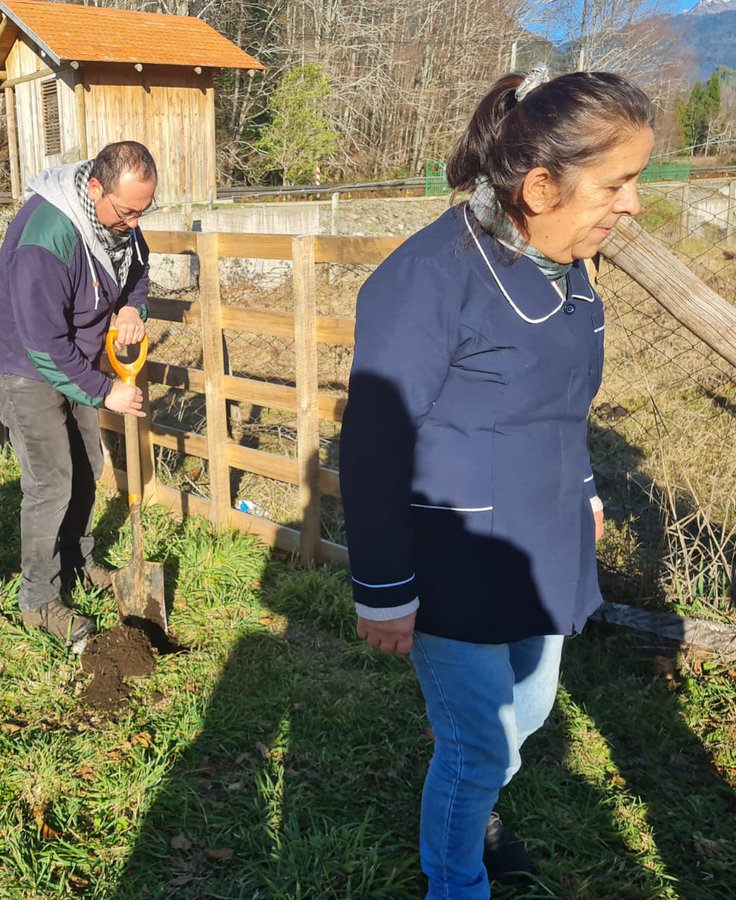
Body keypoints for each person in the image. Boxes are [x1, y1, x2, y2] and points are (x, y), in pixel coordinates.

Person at [339, 67, 654, 898]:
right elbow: (373, 442)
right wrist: (382, 588)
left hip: (540, 537)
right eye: (617, 184)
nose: (633, 206)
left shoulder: (566, 262)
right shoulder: (428, 278)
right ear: (541, 185)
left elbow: (560, 402)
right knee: (479, 741)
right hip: (455, 552)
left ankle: (473, 804)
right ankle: (457, 879)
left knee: (528, 715)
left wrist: (583, 490)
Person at [0, 140, 155, 647]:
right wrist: (105, 392)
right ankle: (37, 601)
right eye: (127, 212)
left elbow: (137, 269)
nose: (134, 224)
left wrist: (131, 309)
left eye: (143, 211)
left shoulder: (119, 223)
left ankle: (78, 558)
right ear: (96, 188)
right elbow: (41, 342)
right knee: (51, 481)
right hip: (25, 362)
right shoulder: (49, 235)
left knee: (88, 468)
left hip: (71, 357)